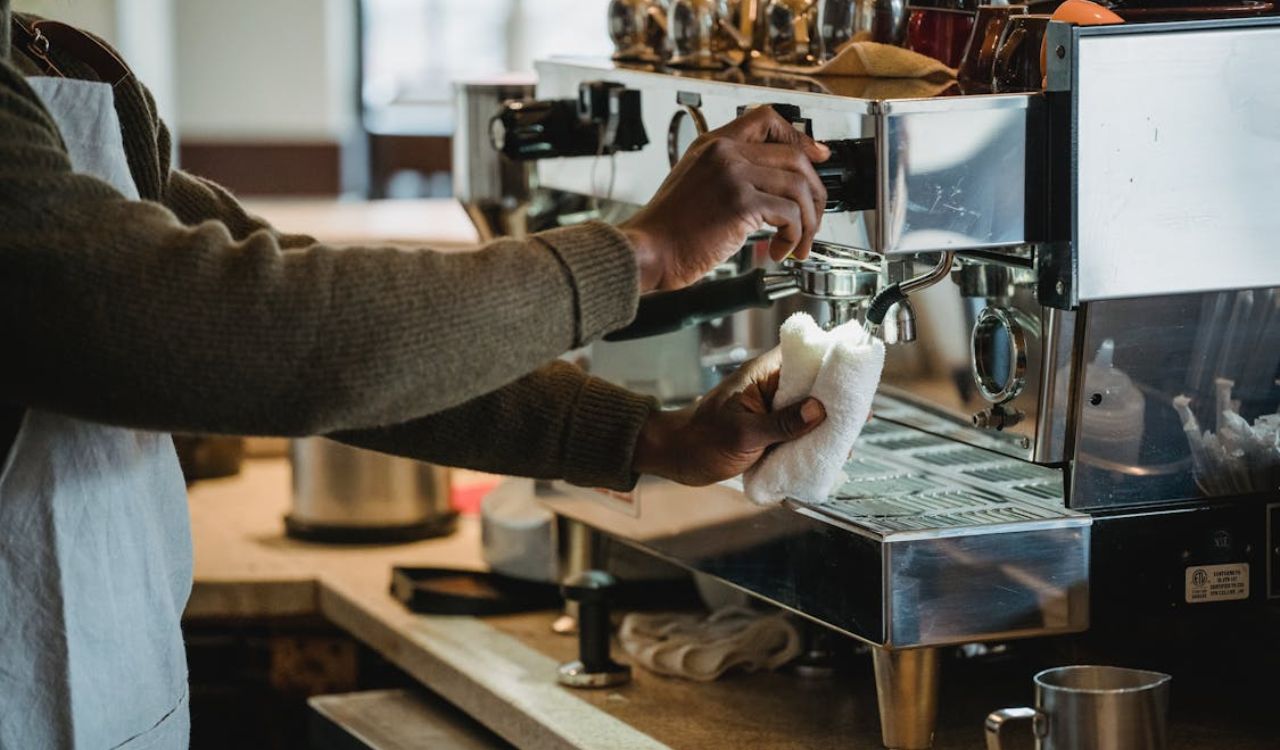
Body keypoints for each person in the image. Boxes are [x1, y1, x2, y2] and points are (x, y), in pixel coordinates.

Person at [0, 4, 830, 748]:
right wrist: (641, 251)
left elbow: (291, 286)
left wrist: (654, 437)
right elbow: (252, 328)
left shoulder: (48, 59)